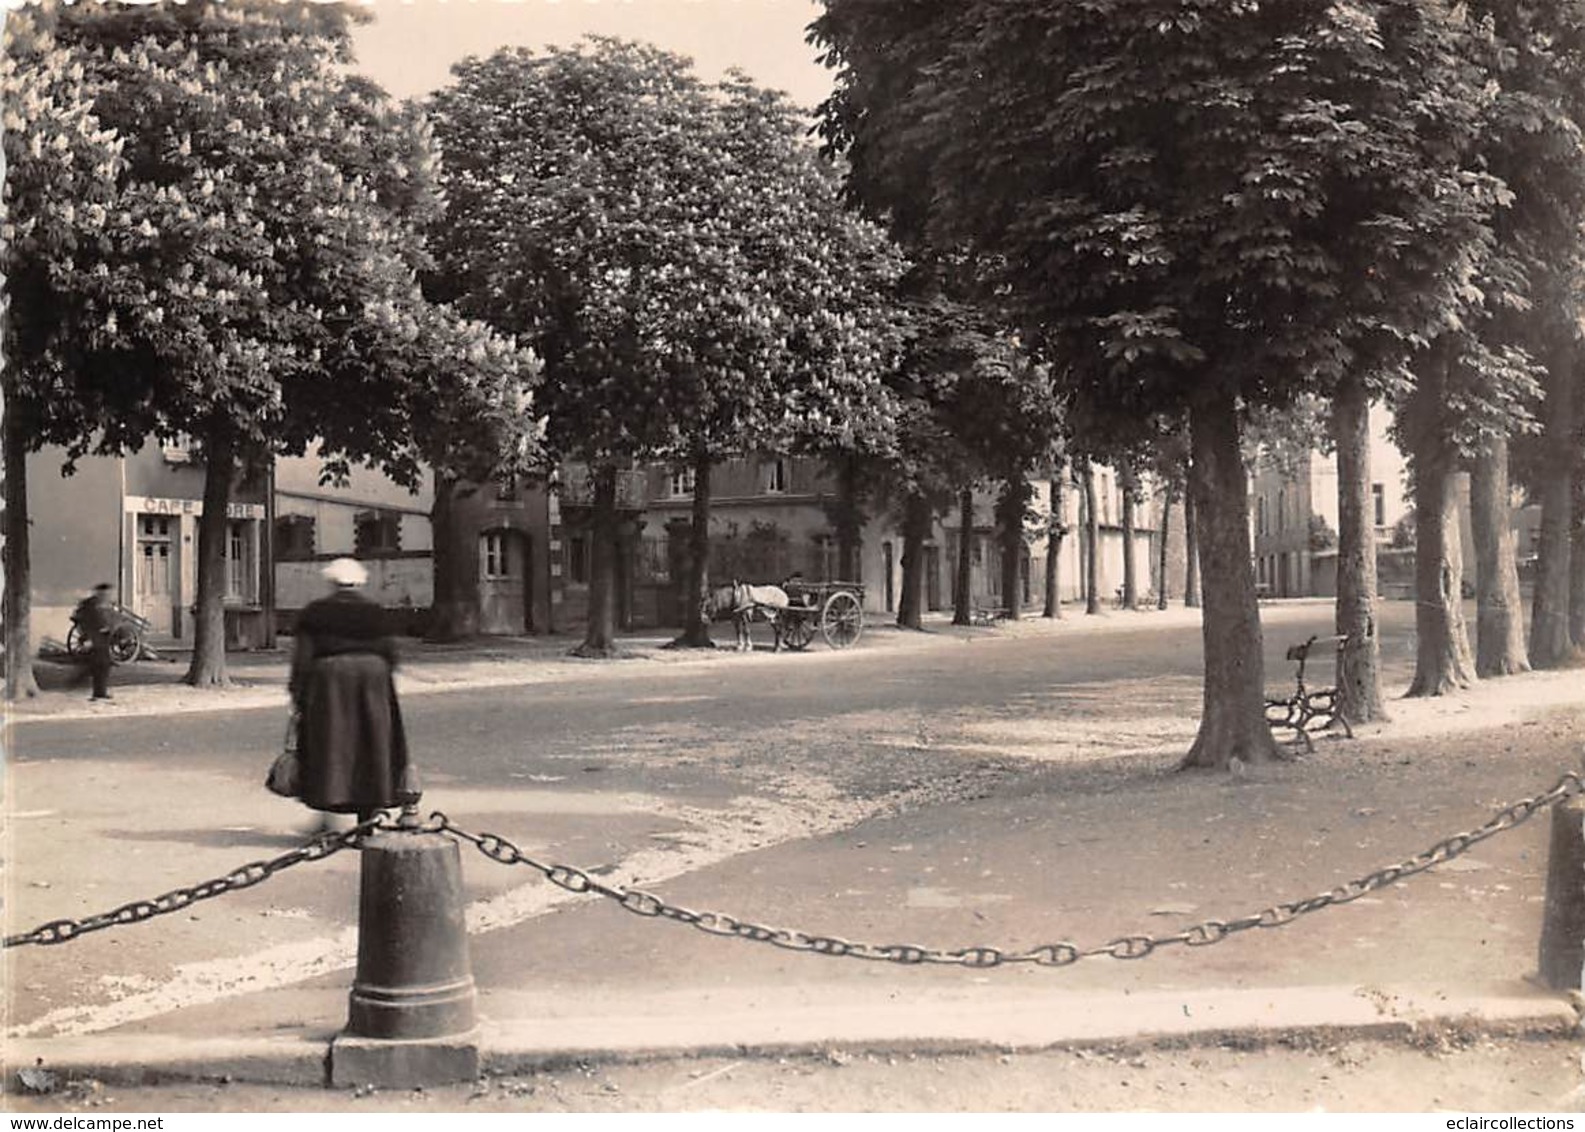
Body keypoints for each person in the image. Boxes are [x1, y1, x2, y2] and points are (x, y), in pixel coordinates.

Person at [288, 557, 418, 828]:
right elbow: (391, 654)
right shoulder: (375, 612)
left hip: (330, 682)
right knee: (373, 744)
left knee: (329, 744)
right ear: (359, 583)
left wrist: (298, 693)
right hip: (373, 679)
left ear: (332, 583)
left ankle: (329, 818)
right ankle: (368, 819)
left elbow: (303, 657)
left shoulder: (315, 612)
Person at [71, 583, 116, 702]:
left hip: (103, 638)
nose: (108, 595)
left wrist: (108, 628)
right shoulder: (90, 604)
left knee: (103, 665)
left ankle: (100, 692)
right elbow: (85, 621)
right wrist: (87, 637)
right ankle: (83, 685)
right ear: (100, 593)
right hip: (94, 637)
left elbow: (108, 619)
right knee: (98, 665)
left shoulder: (104, 604)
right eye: (106, 593)